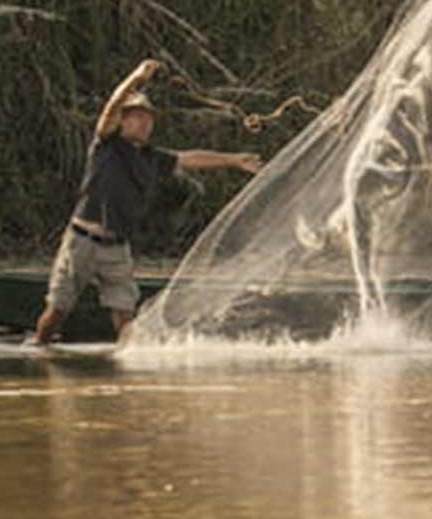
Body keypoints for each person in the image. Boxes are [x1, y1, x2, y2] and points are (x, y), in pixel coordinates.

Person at [32, 59, 262, 344]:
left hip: (117, 246)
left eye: (148, 117)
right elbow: (111, 107)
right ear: (123, 120)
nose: (144, 122)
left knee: (126, 318)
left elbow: (190, 158)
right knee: (57, 312)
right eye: (136, 116)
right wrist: (137, 77)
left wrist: (233, 160)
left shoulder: (152, 157)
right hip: (82, 242)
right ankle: (39, 355)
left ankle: (126, 381)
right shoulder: (107, 143)